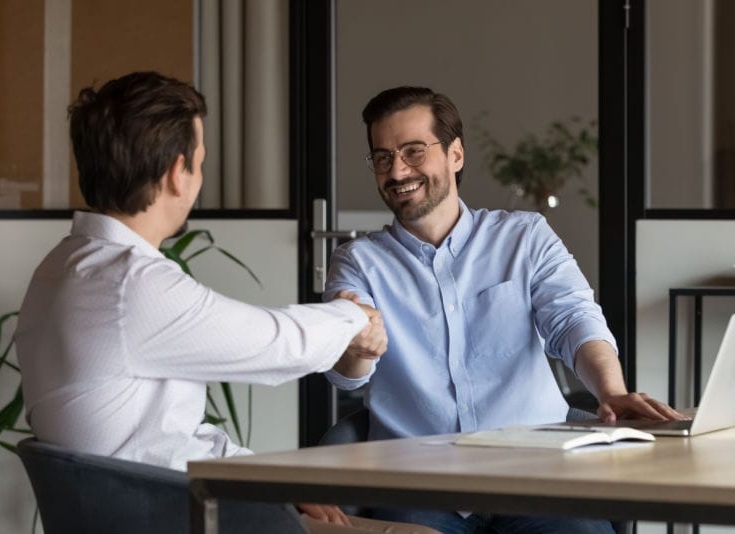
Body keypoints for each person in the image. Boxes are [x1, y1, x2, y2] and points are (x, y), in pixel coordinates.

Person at [14, 72, 439, 534]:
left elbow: (164, 440)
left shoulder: (62, 267)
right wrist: (355, 318)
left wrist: (277, 481)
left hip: (151, 508)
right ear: (177, 173)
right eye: (199, 163)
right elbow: (274, 342)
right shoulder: (129, 283)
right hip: (177, 519)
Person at [323, 86, 685, 534]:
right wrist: (358, 348)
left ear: (455, 154)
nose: (397, 171)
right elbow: (347, 373)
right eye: (383, 158)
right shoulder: (358, 262)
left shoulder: (525, 237)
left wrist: (610, 392)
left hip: (538, 477)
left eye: (414, 151)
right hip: (418, 487)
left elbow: (573, 319)